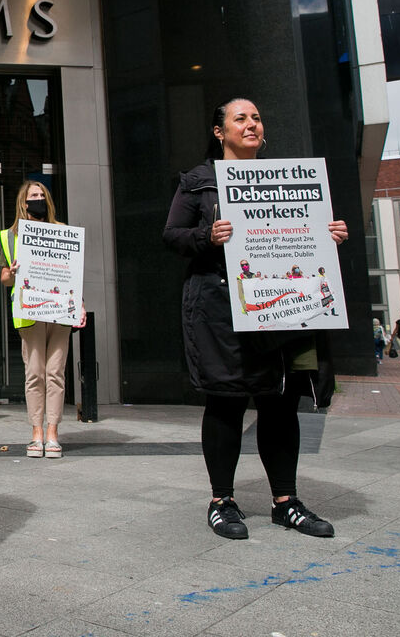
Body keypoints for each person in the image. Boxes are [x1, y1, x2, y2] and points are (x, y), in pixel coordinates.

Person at [163, 97, 348, 540]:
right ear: (219, 131)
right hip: (220, 310)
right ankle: (222, 501)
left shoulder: (290, 181)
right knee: (226, 402)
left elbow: (302, 239)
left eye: (257, 118)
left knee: (281, 403)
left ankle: (286, 502)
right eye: (240, 118)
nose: (251, 124)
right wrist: (207, 236)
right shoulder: (197, 182)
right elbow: (172, 236)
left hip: (283, 309)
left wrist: (327, 237)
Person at [0, 181, 74, 459]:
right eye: (33, 196)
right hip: (29, 312)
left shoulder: (63, 231)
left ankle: (52, 433)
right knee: (34, 374)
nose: (38, 199)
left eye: (42, 195)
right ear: (23, 202)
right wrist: (14, 271)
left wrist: (79, 304)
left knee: (55, 373)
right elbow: (4, 279)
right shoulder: (10, 236)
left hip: (59, 310)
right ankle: (36, 433)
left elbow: (72, 274)